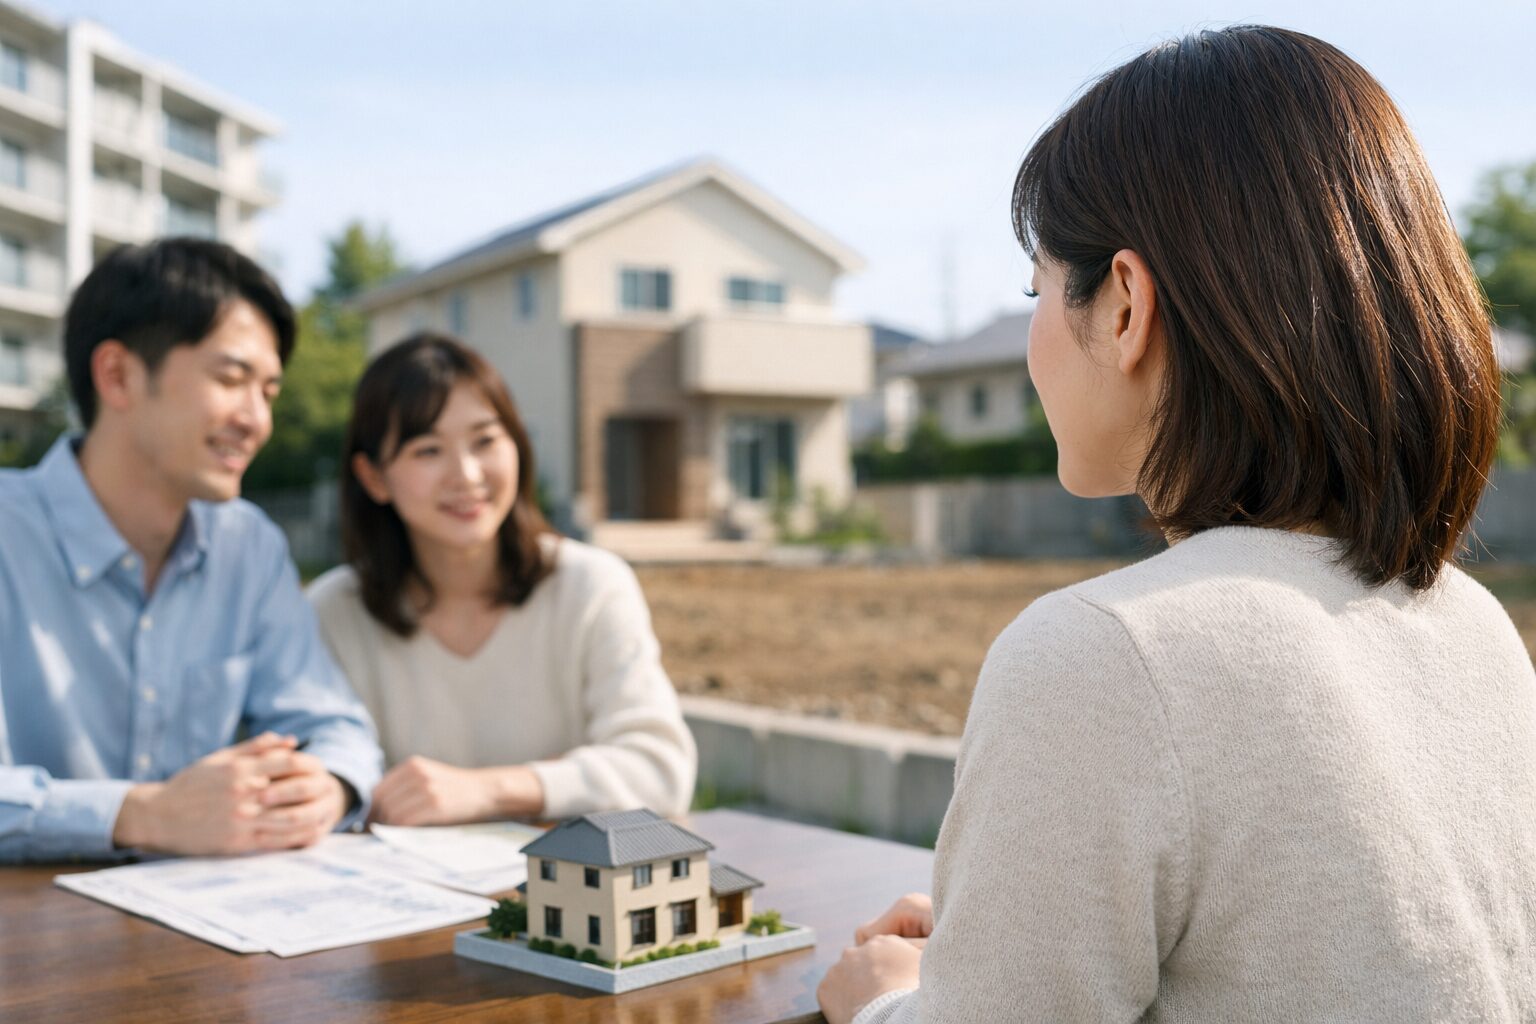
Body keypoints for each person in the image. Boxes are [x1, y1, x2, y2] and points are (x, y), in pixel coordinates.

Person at [818, 26, 1536, 1024]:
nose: (1031, 334)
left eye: (1036, 288)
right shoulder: (1470, 624)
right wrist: (1010, 930)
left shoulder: (1102, 655)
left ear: (1123, 305)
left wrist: (882, 1002)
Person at [0, 238, 382, 863]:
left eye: (269, 392)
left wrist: (326, 787)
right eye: (231, 379)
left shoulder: (249, 546)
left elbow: (336, 729)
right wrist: (144, 814)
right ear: (117, 375)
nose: (256, 420)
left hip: (209, 916)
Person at [307, 333, 695, 825]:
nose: (467, 474)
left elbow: (662, 769)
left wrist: (493, 790)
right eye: (428, 450)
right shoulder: (334, 611)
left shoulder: (590, 586)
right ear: (373, 477)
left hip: (563, 875)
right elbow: (321, 776)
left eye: (486, 441)